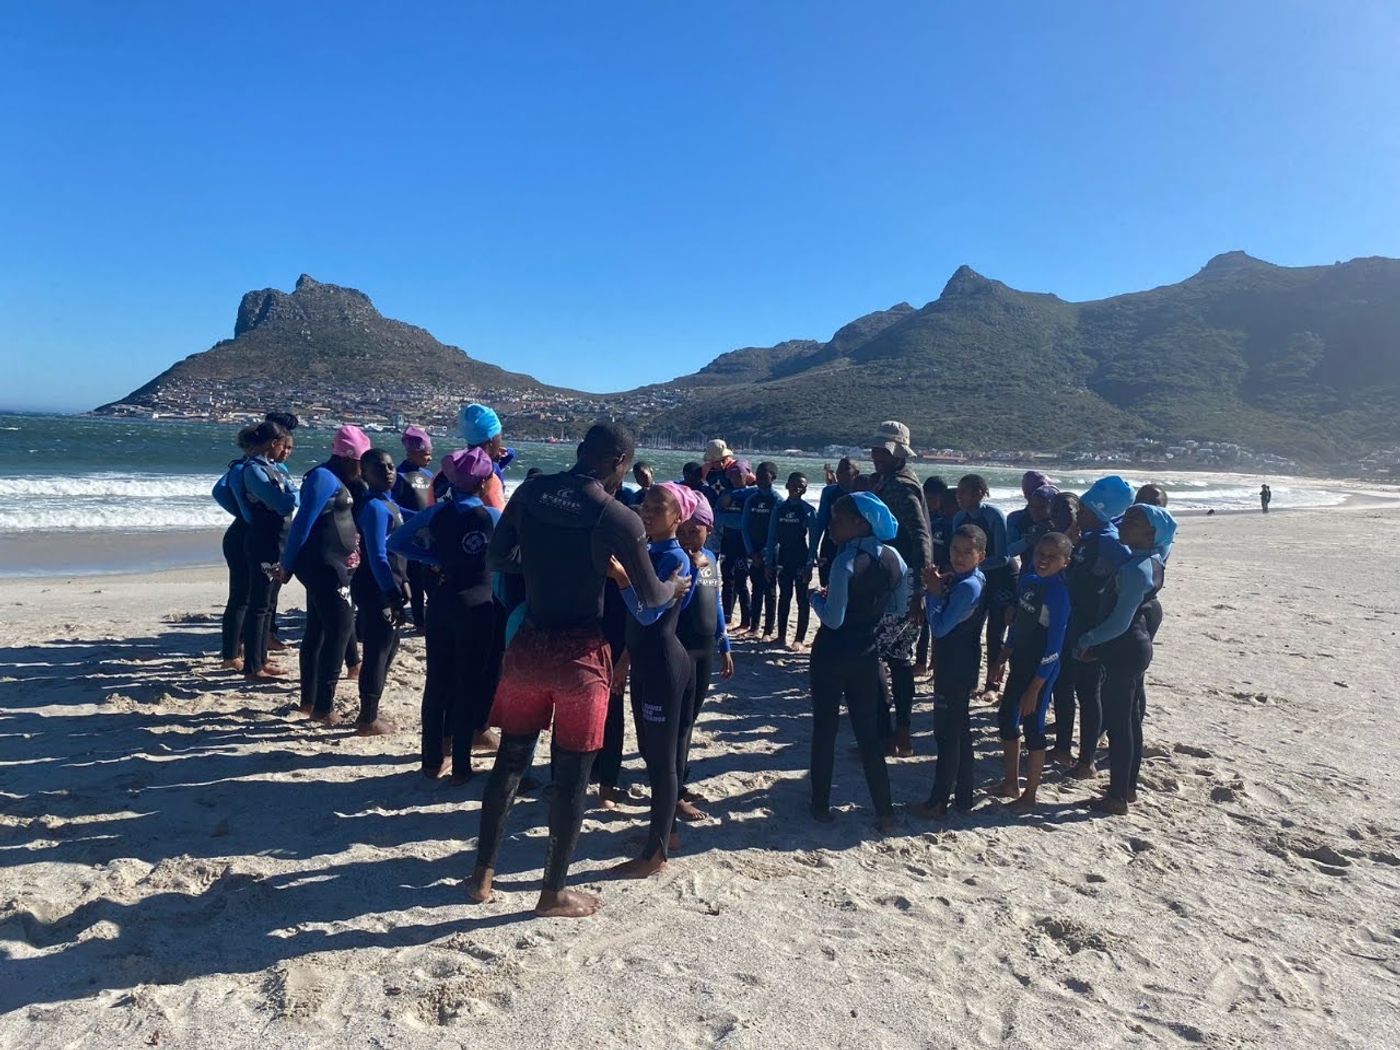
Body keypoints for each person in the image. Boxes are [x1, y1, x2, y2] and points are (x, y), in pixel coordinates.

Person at [466, 422, 690, 919]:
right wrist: (674, 587)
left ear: (580, 451)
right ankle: (553, 893)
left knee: (510, 760)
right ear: (621, 463)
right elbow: (651, 595)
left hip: (529, 644)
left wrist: (547, 565)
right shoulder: (617, 516)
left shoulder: (533, 489)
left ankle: (482, 873)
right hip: (580, 656)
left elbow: (499, 556)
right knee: (571, 777)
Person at [388, 447, 504, 781]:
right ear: (484, 484)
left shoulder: (437, 513)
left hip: (442, 601)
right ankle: (462, 766)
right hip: (479, 605)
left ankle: (431, 760)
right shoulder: (492, 516)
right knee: (469, 682)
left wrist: (434, 557)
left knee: (437, 681)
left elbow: (396, 541)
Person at [608, 482, 697, 876]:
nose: (647, 511)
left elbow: (648, 614)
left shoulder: (673, 559)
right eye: (645, 504)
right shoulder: (649, 551)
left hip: (664, 663)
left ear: (679, 517)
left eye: (658, 507)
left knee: (662, 761)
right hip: (645, 660)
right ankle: (665, 832)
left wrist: (623, 579)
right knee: (648, 749)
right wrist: (626, 658)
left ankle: (656, 853)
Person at [808, 493, 908, 833]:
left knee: (825, 728)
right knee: (868, 733)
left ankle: (820, 806)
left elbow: (833, 619)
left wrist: (813, 598)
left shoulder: (844, 561)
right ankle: (884, 810)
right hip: (867, 653)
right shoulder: (894, 559)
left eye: (838, 519)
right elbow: (897, 607)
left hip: (832, 652)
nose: (831, 525)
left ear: (860, 523)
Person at [1074, 504, 1175, 815]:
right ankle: (1127, 789)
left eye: (1134, 521)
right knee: (1130, 719)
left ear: (1151, 533)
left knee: (1120, 725)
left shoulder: (1133, 569)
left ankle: (1117, 796)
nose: (1124, 523)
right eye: (1126, 516)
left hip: (1124, 648)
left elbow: (1119, 621)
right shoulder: (1152, 561)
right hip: (1135, 647)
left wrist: (1087, 640)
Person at [275, 425, 370, 723]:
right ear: (347, 457)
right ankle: (323, 708)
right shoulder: (321, 478)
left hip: (331, 564)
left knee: (318, 631)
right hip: (324, 565)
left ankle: (310, 702)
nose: (362, 469)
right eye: (360, 462)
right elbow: (302, 522)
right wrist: (287, 564)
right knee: (339, 631)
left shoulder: (338, 478)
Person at [987, 533, 1071, 814]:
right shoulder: (1028, 581)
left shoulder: (1059, 595)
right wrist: (1003, 654)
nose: (1044, 560)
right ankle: (1011, 782)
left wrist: (1036, 687)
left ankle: (1031, 794)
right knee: (1007, 719)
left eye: (1052, 556)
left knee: (1034, 726)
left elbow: (1055, 645)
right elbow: (1020, 624)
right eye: (1040, 554)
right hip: (1020, 661)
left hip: (1042, 668)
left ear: (1065, 562)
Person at [1062, 476, 1135, 780]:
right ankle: (1075, 751)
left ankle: (1086, 759)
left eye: (1085, 509)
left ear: (1101, 511)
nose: (1079, 513)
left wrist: (1099, 634)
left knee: (1089, 694)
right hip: (1076, 620)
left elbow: (1121, 580)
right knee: (1076, 687)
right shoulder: (1089, 536)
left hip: (1091, 625)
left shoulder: (1110, 541)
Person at [868, 422, 932, 757]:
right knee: (897, 659)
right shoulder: (892, 481)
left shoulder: (902, 486)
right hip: (896, 579)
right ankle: (897, 734)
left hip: (901, 581)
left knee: (882, 656)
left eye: (883, 451)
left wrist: (920, 589)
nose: (876, 455)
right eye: (875, 450)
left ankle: (889, 734)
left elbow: (920, 536)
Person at [915, 525, 987, 819]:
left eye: (967, 552)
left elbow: (940, 628)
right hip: (962, 660)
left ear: (980, 555)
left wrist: (933, 594)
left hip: (955, 665)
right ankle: (964, 797)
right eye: (955, 549)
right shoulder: (968, 578)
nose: (959, 556)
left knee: (947, 734)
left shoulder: (968, 585)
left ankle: (938, 801)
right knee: (961, 731)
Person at [674, 492, 734, 820]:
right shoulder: (678, 560)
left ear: (708, 530)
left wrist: (725, 645)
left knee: (690, 719)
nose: (686, 537)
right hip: (679, 648)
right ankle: (676, 790)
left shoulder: (710, 557)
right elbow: (676, 604)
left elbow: (717, 603)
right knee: (680, 723)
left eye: (693, 531)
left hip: (705, 649)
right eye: (681, 530)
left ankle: (677, 778)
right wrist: (693, 571)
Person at [352, 448, 409, 736]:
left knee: (391, 647)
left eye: (390, 466)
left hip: (390, 583)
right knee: (378, 650)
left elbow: (401, 547)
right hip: (375, 585)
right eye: (379, 468)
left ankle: (370, 710)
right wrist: (391, 591)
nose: (387, 471)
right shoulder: (373, 507)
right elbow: (377, 554)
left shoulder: (391, 504)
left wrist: (405, 580)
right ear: (365, 474)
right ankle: (367, 719)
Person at [236, 420, 297, 682]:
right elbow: (284, 503)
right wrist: (291, 496)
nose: (285, 451)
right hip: (264, 541)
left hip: (278, 540)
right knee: (259, 602)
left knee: (269, 600)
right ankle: (252, 666)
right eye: (284, 445)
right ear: (274, 444)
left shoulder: (273, 468)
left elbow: (293, 497)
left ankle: (261, 657)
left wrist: (291, 496)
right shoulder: (253, 470)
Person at [951, 474, 1012, 700]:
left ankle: (992, 686)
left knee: (995, 632)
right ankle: (969, 681)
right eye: (958, 491)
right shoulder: (959, 518)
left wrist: (976, 565)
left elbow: (1004, 556)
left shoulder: (993, 515)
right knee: (970, 631)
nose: (958, 496)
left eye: (963, 491)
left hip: (999, 579)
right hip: (975, 580)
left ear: (979, 492)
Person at [212, 426, 256, 671]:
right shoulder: (241, 468)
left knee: (249, 597)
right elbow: (218, 491)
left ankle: (242, 648)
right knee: (240, 596)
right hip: (241, 534)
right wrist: (244, 514)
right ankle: (230, 653)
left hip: (245, 531)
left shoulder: (257, 468)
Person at [392, 425, 436, 630]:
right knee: (415, 581)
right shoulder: (398, 475)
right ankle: (419, 620)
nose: (429, 457)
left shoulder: (429, 475)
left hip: (428, 535)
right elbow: (391, 505)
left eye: (431, 453)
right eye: (426, 454)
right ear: (413, 452)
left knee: (432, 580)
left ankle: (431, 615)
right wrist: (415, 518)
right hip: (409, 534)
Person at [766, 471, 817, 650]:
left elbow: (813, 543)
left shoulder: (808, 511)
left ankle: (799, 639)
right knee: (784, 597)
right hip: (784, 559)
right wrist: (768, 562)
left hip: (801, 559)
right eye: (793, 484)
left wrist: (810, 565)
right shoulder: (779, 509)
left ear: (805, 489)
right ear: (786, 485)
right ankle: (780, 636)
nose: (796, 488)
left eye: (801, 486)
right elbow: (772, 537)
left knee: (802, 599)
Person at [740, 461, 781, 639]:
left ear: (773, 478)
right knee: (756, 587)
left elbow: (778, 532)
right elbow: (745, 526)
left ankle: (768, 630)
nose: (761, 479)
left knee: (770, 590)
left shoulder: (777, 500)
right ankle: (754, 626)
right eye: (759, 475)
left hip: (771, 551)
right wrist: (751, 551)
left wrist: (765, 553)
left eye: (765, 476)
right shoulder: (752, 499)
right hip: (754, 550)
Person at [715, 460, 755, 631]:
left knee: (741, 581)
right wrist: (731, 519)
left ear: (747, 475)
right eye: (732, 474)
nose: (735, 478)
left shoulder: (751, 494)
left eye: (739, 474)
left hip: (743, 544)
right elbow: (717, 516)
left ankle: (746, 621)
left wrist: (732, 518)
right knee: (726, 579)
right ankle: (727, 617)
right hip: (727, 542)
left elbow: (745, 523)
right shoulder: (725, 494)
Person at [813, 457, 862, 587]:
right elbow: (820, 522)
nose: (839, 472)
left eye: (845, 469)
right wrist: (812, 550)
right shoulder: (829, 492)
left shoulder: (862, 495)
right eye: (839, 468)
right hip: (830, 545)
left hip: (853, 547)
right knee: (827, 587)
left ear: (856, 473)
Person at [459, 403, 509, 510]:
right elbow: (500, 519)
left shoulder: (450, 468)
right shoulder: (489, 476)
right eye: (500, 435)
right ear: (492, 439)